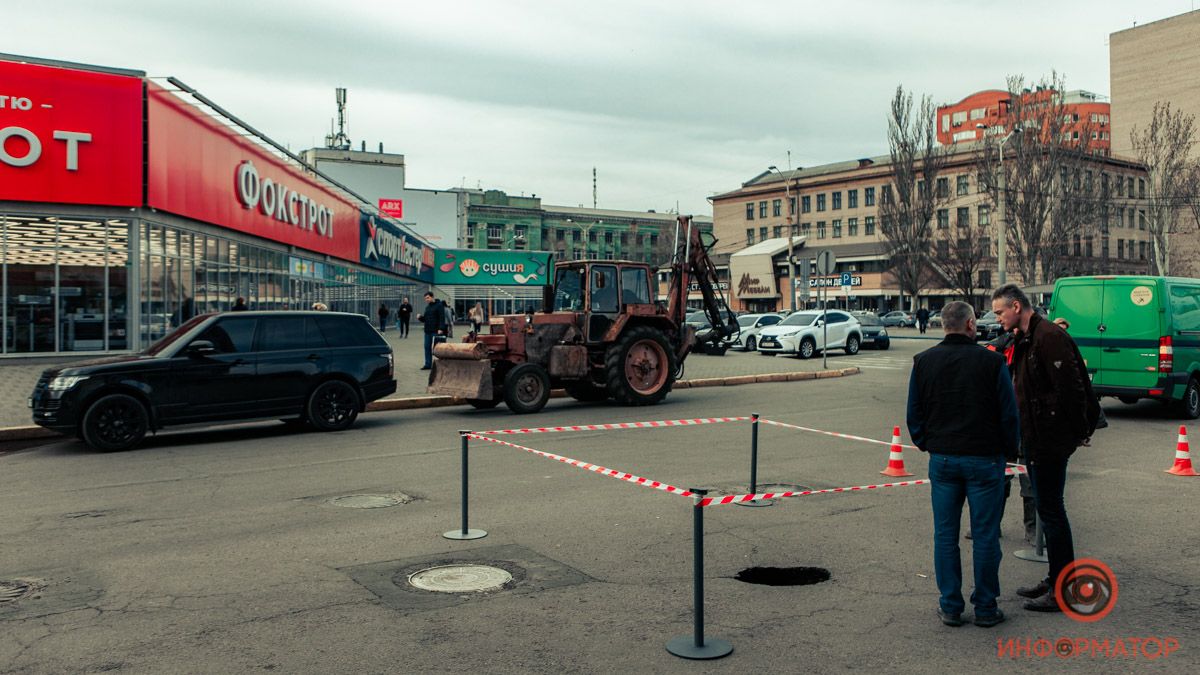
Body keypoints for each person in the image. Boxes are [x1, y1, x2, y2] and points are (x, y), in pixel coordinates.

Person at [907, 301, 1020, 628]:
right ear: (971, 324)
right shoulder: (992, 362)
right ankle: (986, 607)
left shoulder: (924, 362)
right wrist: (1008, 451)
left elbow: (915, 413)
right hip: (985, 460)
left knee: (945, 535)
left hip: (943, 459)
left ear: (944, 325)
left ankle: (951, 605)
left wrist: (926, 442)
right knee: (985, 536)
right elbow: (1008, 414)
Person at [991, 284, 1100, 613]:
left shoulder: (1048, 336)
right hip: (1036, 436)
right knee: (1048, 511)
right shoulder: (1025, 337)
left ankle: (1063, 588)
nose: (997, 319)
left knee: (1052, 513)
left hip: (1050, 439)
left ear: (1015, 306)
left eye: (999, 312)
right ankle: (1055, 578)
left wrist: (1078, 432)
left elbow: (1073, 388)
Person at [418, 291, 447, 370]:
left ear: (432, 297)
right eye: (425, 299)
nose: (426, 300)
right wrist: (420, 318)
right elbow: (426, 319)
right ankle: (428, 364)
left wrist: (441, 328)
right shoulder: (427, 307)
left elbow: (442, 317)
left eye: (427, 298)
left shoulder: (439, 305)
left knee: (437, 349)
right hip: (427, 331)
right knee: (427, 347)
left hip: (436, 331)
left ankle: (441, 364)